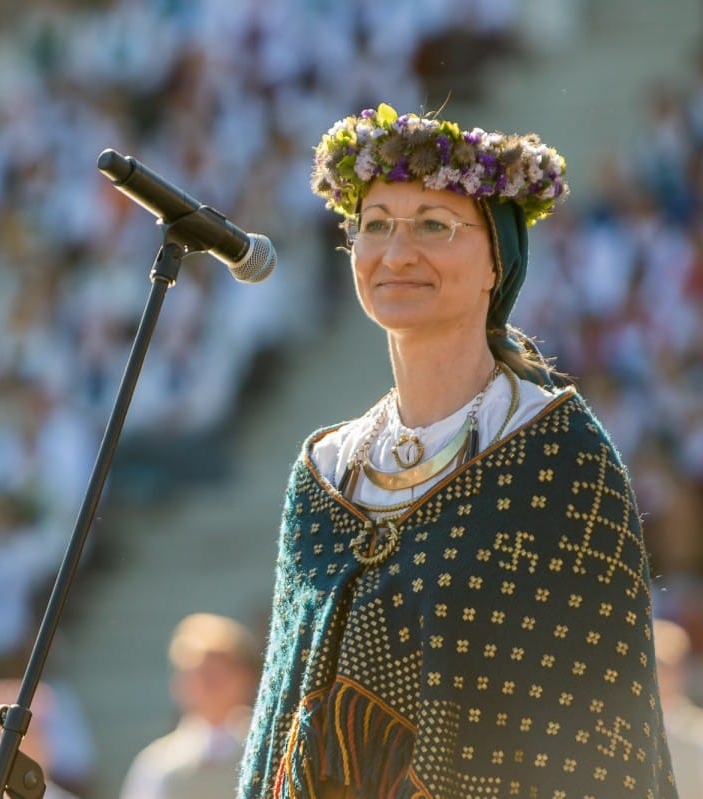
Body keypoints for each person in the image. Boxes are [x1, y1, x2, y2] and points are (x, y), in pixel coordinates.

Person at [237, 104, 679, 798]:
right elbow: (279, 723)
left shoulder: (559, 454)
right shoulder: (322, 474)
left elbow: (603, 726)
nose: (396, 250)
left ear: (495, 264)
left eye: (433, 226)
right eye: (375, 224)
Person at [119, 612, 261, 799]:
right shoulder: (157, 763)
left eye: (219, 673)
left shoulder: (265, 747)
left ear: (245, 678)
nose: (210, 685)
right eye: (200, 675)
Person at [654, 618, 703, 795]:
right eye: (656, 665)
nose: (662, 675)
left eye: (667, 666)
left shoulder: (698, 730)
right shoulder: (633, 725)